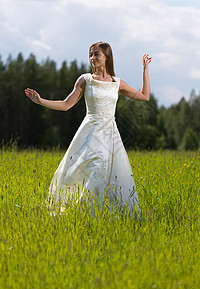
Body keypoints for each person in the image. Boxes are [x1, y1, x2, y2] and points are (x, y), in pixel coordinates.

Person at [25, 41, 151, 216]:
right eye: (90, 54)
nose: (92, 58)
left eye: (96, 54)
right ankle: (87, 213)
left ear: (107, 57)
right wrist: (40, 101)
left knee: (111, 174)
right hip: (90, 133)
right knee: (93, 168)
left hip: (110, 134)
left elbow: (144, 96)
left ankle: (103, 214)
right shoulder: (85, 80)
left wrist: (145, 70)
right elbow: (65, 104)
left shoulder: (117, 83)